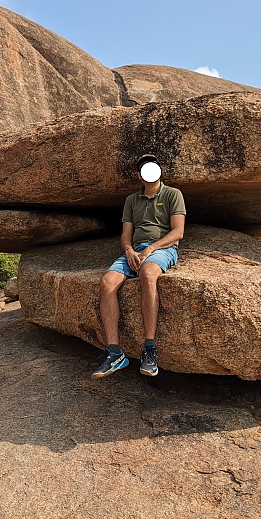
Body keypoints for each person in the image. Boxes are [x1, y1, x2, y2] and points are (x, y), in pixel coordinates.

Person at [91, 154, 186, 379]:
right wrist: (129, 251)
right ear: (139, 174)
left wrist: (151, 250)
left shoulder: (173, 194)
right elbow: (125, 235)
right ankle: (114, 353)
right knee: (107, 282)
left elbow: (178, 232)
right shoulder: (132, 200)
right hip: (134, 251)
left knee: (147, 272)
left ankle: (150, 349)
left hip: (163, 249)